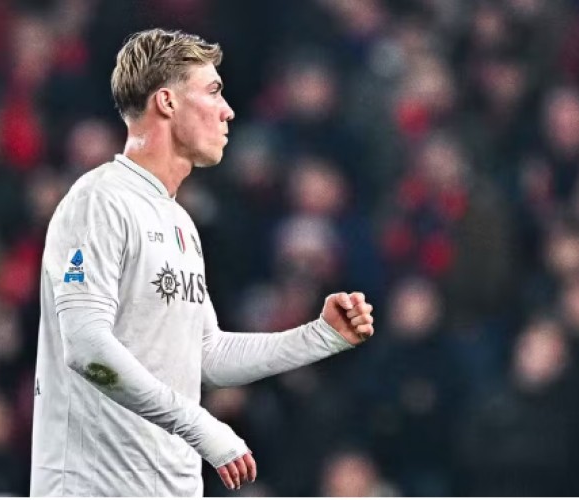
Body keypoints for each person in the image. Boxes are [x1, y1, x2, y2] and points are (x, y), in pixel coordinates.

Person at [30, 28, 375, 497]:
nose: (227, 110)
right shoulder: (98, 200)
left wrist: (319, 337)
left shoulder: (180, 223)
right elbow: (87, 347)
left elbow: (205, 354)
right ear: (167, 102)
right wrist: (199, 425)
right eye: (213, 91)